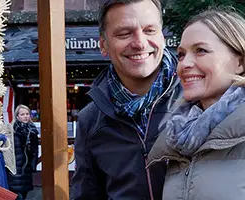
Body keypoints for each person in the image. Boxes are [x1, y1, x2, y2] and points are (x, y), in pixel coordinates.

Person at [146, 8, 245, 199]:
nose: (185, 64)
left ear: (241, 62)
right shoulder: (178, 140)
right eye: (181, 54)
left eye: (201, 51)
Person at [72, 0, 182, 199]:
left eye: (150, 30)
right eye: (124, 33)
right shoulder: (90, 119)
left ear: (163, 37)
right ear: (103, 45)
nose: (140, 43)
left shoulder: (198, 98)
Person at [8, 105, 39, 200]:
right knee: (17, 196)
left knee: (24, 195)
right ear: (17, 116)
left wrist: (33, 165)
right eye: (22, 114)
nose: (25, 116)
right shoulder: (12, 131)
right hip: (15, 169)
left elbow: (35, 151)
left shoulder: (33, 131)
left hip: (26, 169)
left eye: (27, 114)